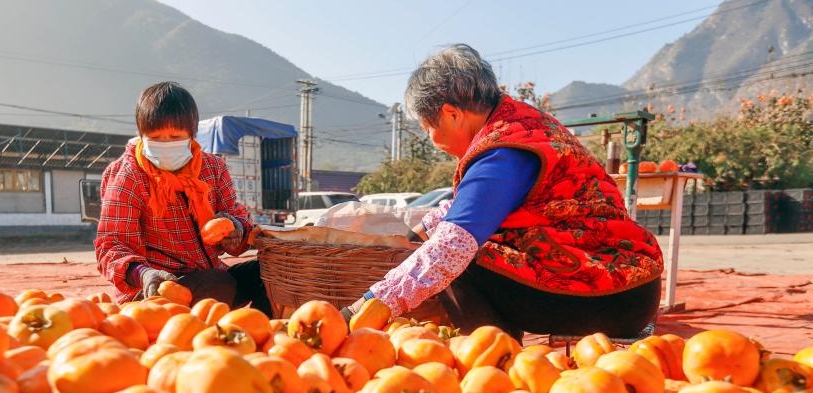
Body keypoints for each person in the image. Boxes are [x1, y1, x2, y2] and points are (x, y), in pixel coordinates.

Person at [342, 45, 664, 341]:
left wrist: (362, 309)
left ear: (452, 114)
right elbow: (463, 207)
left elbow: (451, 244)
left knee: (456, 258)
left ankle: (496, 361)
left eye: (428, 128)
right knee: (453, 248)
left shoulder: (503, 154)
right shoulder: (520, 125)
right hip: (628, 284)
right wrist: (407, 240)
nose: (432, 139)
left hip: (608, 296)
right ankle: (500, 355)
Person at [95, 81, 271, 314]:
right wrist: (144, 274)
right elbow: (111, 244)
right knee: (218, 284)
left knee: (272, 272)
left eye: (175, 136)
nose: (166, 144)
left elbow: (239, 223)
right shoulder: (128, 175)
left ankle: (261, 332)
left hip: (212, 279)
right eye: (156, 137)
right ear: (141, 134)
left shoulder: (213, 169)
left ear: (192, 134)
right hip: (154, 291)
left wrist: (235, 229)